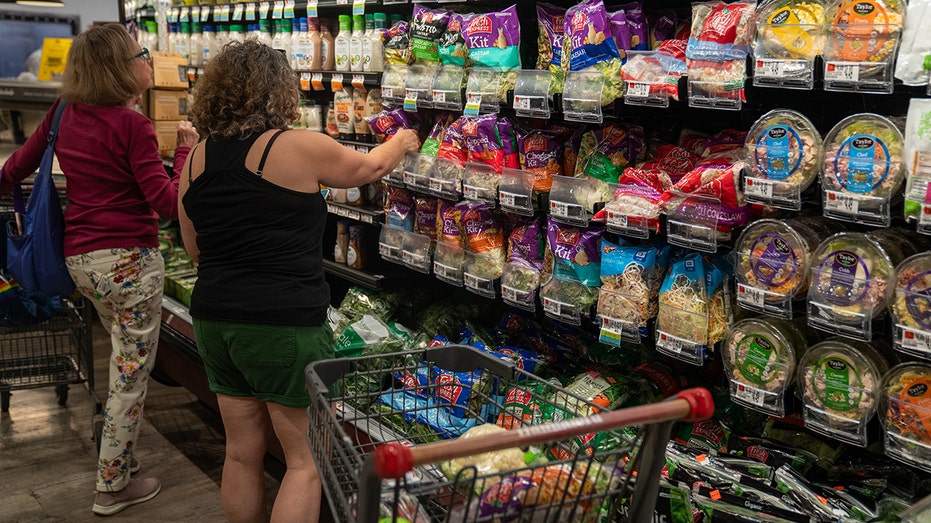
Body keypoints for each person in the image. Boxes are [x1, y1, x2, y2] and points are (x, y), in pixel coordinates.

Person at [177, 39, 419, 523]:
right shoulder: (295, 145)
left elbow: (194, 248)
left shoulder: (197, 158)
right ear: (278, 92)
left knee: (242, 452)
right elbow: (368, 168)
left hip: (215, 320)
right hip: (283, 323)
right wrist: (404, 140)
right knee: (304, 462)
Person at [0, 23, 199, 516]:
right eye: (142, 53)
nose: (148, 60)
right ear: (121, 67)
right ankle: (111, 487)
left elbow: (11, 172)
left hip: (82, 264)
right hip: (130, 264)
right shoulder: (132, 126)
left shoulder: (63, 112)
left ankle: (121, 460)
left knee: (121, 360)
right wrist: (185, 151)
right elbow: (167, 204)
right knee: (130, 377)